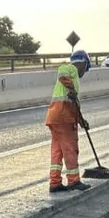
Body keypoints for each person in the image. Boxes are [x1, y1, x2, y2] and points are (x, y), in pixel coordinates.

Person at [45, 50, 92, 192]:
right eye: (86, 69)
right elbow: (62, 71)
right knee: (71, 149)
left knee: (57, 151)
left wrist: (81, 120)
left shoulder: (74, 80)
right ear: (83, 63)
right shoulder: (71, 69)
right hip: (64, 118)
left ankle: (55, 182)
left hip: (55, 117)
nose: (84, 72)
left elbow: (74, 104)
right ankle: (74, 181)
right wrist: (71, 87)